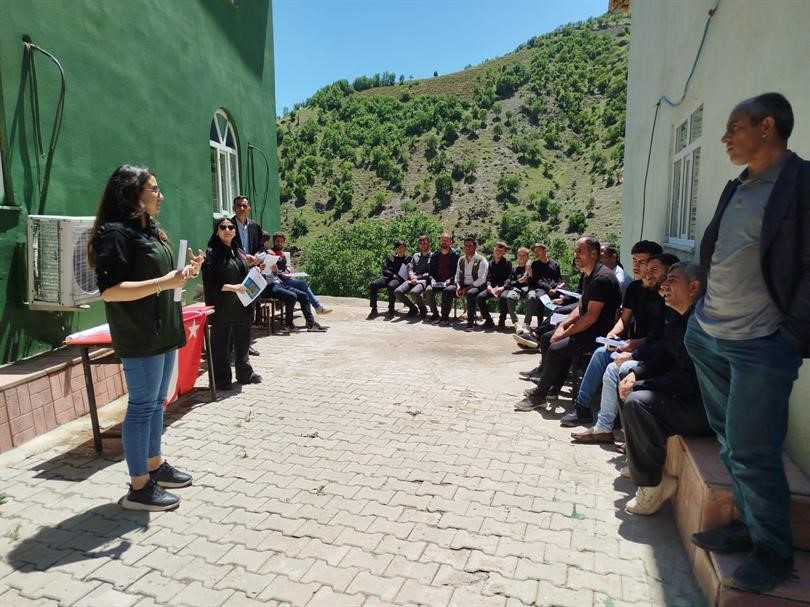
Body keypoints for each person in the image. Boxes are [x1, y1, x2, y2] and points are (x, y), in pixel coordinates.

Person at [684, 93, 808, 593]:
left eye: (734, 127)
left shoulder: (802, 186)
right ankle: (746, 527)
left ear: (767, 127)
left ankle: (775, 553)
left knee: (755, 452)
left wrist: (791, 337)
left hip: (760, 344)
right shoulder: (739, 186)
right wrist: (694, 298)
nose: (725, 137)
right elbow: (721, 254)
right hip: (710, 335)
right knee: (732, 444)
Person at [89, 164, 204, 511]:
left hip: (163, 329)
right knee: (140, 408)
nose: (160, 196)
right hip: (140, 335)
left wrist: (184, 274)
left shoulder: (148, 229)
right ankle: (139, 487)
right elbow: (110, 291)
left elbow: (161, 276)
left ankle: (154, 465)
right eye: (154, 189)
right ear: (132, 194)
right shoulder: (114, 234)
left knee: (156, 404)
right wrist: (165, 283)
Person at [621, 262, 711, 515]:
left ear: (693, 287)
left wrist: (641, 384)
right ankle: (639, 462)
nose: (664, 285)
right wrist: (634, 373)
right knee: (626, 383)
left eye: (672, 280)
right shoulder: (680, 318)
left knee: (638, 403)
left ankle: (651, 488)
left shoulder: (701, 326)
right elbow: (662, 356)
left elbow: (688, 381)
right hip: (686, 395)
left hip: (707, 409)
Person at [566, 252, 675, 432]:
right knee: (601, 353)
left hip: (647, 351)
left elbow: (661, 340)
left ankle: (609, 424)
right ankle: (581, 407)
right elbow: (624, 320)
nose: (642, 269)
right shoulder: (634, 288)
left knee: (615, 368)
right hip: (634, 345)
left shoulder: (665, 298)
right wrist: (613, 334)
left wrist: (634, 348)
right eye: (636, 262)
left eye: (647, 265)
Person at [517, 236, 621, 412]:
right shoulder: (589, 274)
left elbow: (590, 317)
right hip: (588, 327)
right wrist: (563, 325)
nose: (576, 255)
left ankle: (540, 396)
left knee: (557, 347)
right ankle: (552, 388)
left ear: (594, 253)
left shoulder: (602, 278)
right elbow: (580, 308)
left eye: (580, 251)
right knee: (547, 338)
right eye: (576, 251)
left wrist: (564, 334)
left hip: (598, 334)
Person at [202, 218, 263, 390]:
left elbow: (243, 272)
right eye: (223, 227)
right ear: (217, 231)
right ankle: (222, 380)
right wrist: (233, 287)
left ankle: (245, 373)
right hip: (222, 307)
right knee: (221, 346)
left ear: (235, 232)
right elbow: (210, 283)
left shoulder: (238, 250)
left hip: (242, 305)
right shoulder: (212, 253)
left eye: (230, 227)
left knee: (243, 343)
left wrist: (254, 270)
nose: (227, 229)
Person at [265, 231, 331, 315]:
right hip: (278, 282)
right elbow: (270, 270)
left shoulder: (282, 254)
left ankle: (314, 314)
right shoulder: (270, 253)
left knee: (303, 288)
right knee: (302, 284)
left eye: (281, 242)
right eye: (278, 241)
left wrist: (288, 270)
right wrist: (281, 274)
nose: (279, 243)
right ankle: (317, 308)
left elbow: (285, 267)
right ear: (274, 242)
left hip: (286, 279)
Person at [261, 252, 325, 333]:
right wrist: (259, 268)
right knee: (292, 296)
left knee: (304, 295)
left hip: (279, 283)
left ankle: (311, 323)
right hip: (269, 287)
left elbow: (274, 275)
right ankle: (289, 325)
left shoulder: (268, 260)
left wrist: (275, 271)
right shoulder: (256, 263)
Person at [230, 196, 263, 356]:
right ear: (233, 208)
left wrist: (256, 256)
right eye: (238, 206)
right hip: (234, 273)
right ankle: (232, 346)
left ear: (249, 208)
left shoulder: (255, 227)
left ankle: (246, 344)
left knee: (249, 309)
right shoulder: (226, 226)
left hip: (251, 274)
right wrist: (244, 258)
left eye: (244, 206)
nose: (241, 208)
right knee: (234, 308)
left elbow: (261, 248)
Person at [446, 236, 488, 330]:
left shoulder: (481, 260)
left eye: (470, 245)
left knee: (470, 294)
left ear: (475, 246)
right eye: (465, 246)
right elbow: (457, 275)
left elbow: (482, 279)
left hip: (477, 286)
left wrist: (467, 288)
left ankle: (470, 322)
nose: (468, 248)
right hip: (462, 285)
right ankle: (444, 318)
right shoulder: (461, 260)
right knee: (448, 290)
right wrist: (458, 286)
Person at [520, 243, 562, 333]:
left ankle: (555, 325)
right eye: (534, 252)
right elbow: (537, 280)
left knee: (562, 299)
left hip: (554, 289)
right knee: (541, 298)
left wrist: (556, 288)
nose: (536, 253)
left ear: (544, 250)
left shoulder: (555, 264)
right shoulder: (535, 265)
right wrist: (548, 289)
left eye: (538, 251)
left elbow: (558, 279)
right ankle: (540, 326)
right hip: (541, 289)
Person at [368, 241, 411, 320]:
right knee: (373, 284)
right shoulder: (390, 258)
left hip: (399, 279)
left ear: (405, 249)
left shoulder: (408, 259)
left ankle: (391, 309)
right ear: (396, 249)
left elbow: (409, 271)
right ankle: (374, 309)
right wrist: (392, 275)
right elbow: (384, 270)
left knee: (391, 286)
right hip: (388, 277)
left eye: (402, 247)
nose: (400, 249)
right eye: (398, 248)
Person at [476, 241, 512, 330]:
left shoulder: (508, 263)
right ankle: (488, 320)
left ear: (504, 252)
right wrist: (488, 286)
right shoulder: (489, 263)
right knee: (480, 297)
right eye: (497, 250)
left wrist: (503, 287)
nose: (498, 252)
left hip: (504, 288)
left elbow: (509, 277)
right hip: (492, 288)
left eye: (501, 251)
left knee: (504, 298)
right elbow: (488, 277)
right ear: (493, 250)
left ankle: (501, 321)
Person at [395, 234, 432, 318]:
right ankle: (413, 308)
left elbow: (432, 272)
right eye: (421, 243)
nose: (423, 245)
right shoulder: (415, 255)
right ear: (419, 244)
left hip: (425, 280)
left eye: (425, 243)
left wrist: (418, 277)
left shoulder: (433, 256)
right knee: (397, 292)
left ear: (429, 244)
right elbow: (410, 266)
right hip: (412, 279)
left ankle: (422, 309)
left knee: (414, 292)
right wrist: (411, 275)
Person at [425, 233, 460, 322]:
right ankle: (435, 314)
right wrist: (432, 279)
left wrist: (451, 280)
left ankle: (445, 317)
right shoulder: (435, 255)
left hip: (450, 283)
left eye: (446, 240)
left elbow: (458, 272)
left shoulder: (455, 255)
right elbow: (431, 271)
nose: (444, 242)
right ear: (440, 241)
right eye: (443, 240)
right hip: (438, 282)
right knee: (428, 290)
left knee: (447, 291)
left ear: (450, 242)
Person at [500, 246, 531, 330]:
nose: (521, 257)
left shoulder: (531, 267)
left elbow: (536, 281)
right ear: (517, 256)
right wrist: (518, 281)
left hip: (529, 289)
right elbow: (510, 282)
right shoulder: (514, 269)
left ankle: (526, 323)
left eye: (524, 255)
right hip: (517, 289)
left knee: (533, 297)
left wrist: (529, 278)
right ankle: (516, 323)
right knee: (509, 297)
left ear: (527, 256)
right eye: (519, 255)